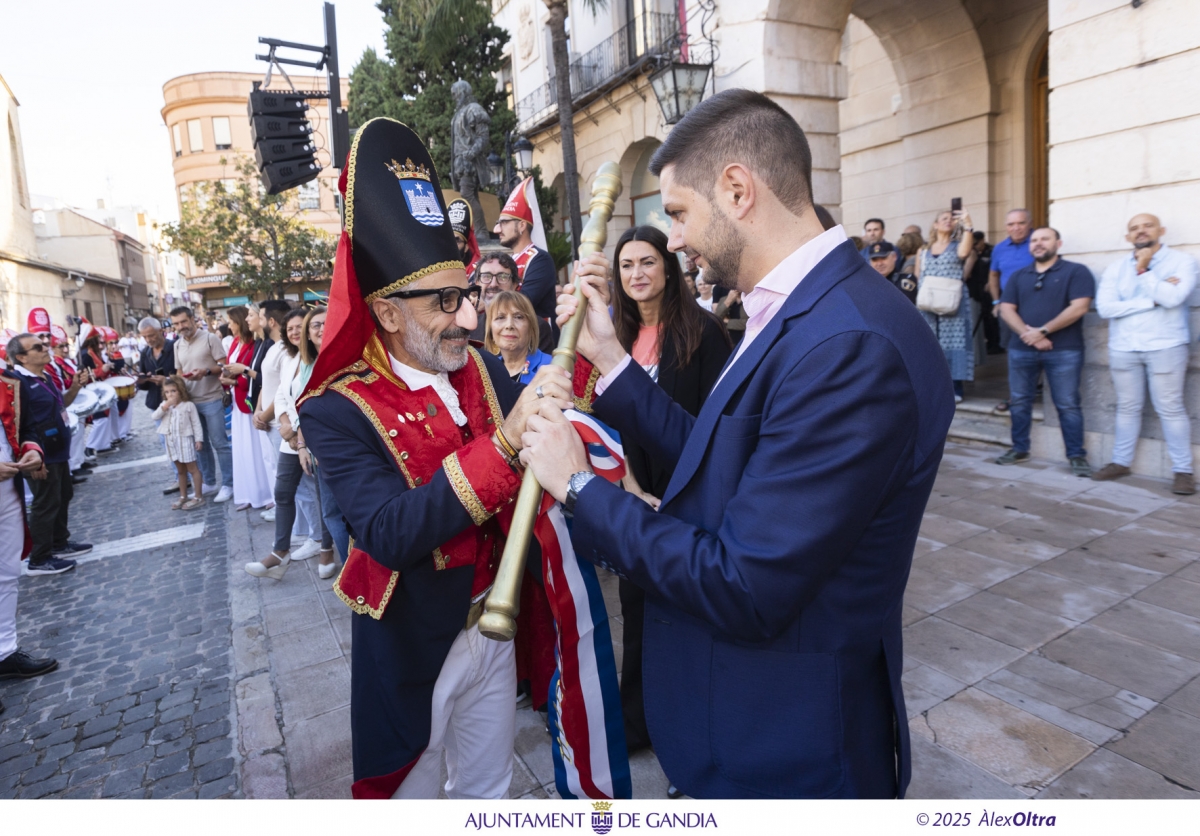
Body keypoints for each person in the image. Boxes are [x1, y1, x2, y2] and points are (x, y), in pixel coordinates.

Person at [521, 88, 955, 799]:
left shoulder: (849, 344)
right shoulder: (794, 307)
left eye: (681, 213)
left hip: (786, 749)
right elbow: (726, 459)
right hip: (749, 723)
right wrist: (614, 364)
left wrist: (581, 487)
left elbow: (745, 584)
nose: (677, 238)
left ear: (737, 189)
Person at [297, 119, 582, 799]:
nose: (467, 318)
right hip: (412, 643)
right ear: (389, 314)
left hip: (495, 621)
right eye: (446, 302)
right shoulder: (336, 409)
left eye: (468, 297)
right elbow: (389, 532)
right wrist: (506, 444)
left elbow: (559, 419)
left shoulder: (481, 369)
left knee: (487, 793)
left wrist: (589, 352)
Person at [607, 224, 731, 758]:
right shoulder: (610, 334)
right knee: (636, 613)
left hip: (685, 497)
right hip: (631, 495)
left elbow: (713, 429)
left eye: (648, 263)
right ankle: (636, 723)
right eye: (627, 265)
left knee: (685, 618)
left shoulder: (703, 333)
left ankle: (691, 730)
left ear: (668, 267)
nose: (637, 274)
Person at [1093, 213, 1197, 495]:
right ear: (1127, 237)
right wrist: (1152, 299)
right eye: (1134, 228)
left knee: (1171, 408)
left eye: (1147, 225)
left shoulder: (1182, 262)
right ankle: (1121, 461)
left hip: (1166, 345)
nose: (1141, 231)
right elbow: (1106, 308)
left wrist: (1144, 270)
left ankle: (1183, 471)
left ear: (1161, 230)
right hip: (1123, 347)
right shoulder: (1115, 268)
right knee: (1127, 407)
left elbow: (1174, 298)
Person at [995, 227, 1094, 476]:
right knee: (1019, 401)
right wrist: (1029, 335)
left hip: (1064, 350)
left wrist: (1044, 331)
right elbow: (1007, 309)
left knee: (1068, 404)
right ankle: (1019, 449)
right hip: (1022, 348)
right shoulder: (1019, 275)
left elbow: (1080, 307)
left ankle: (1076, 455)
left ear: (1058, 243)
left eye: (1045, 239)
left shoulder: (1076, 272)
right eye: (1035, 240)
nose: (1038, 244)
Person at [246, 307, 333, 579]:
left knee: (322, 496)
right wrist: (284, 423)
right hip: (291, 439)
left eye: (300, 327)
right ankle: (279, 552)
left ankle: (326, 549)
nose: (295, 332)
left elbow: (312, 402)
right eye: (291, 328)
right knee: (283, 493)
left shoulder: (320, 358)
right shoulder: (292, 359)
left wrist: (295, 431)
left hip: (311, 439)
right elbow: (283, 395)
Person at [8, 333, 92, 573]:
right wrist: (32, 456)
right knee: (45, 503)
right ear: (22, 357)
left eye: (44, 344)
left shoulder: (44, 376)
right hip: (40, 453)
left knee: (62, 496)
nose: (45, 348)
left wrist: (75, 386)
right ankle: (39, 557)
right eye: (37, 347)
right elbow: (17, 425)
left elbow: (62, 403)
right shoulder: (19, 383)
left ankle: (59, 542)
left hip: (57, 449)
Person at [0, 361, 56, 711]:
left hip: (7, 490)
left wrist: (31, 449)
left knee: (7, 573)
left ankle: (4, 652)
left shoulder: (6, 380)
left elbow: (23, 427)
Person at [170, 306, 232, 502]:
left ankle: (229, 484)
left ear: (192, 320)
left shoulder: (209, 338)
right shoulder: (177, 345)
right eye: (176, 324)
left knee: (220, 443)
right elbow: (179, 374)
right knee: (201, 445)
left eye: (183, 321)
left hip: (212, 398)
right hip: (191, 403)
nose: (181, 326)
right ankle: (210, 482)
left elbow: (224, 367)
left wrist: (205, 371)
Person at [916, 207, 977, 402]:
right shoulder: (923, 250)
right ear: (935, 224)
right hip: (929, 300)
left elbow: (965, 252)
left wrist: (967, 224)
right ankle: (933, 386)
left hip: (953, 299)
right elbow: (919, 275)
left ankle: (956, 387)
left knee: (955, 342)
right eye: (943, 218)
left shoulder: (958, 245)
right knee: (929, 343)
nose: (948, 221)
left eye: (952, 219)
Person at [495, 177, 557, 352]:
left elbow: (524, 301)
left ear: (522, 225)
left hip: (537, 344)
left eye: (504, 223)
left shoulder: (540, 260)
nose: (497, 230)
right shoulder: (509, 261)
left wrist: (490, 304)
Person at [220, 306, 272, 511]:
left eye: (232, 321)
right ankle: (249, 493)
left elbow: (254, 374)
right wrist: (226, 378)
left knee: (256, 451)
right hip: (236, 400)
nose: (228, 325)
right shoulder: (234, 342)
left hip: (247, 399)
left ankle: (264, 494)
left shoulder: (253, 343)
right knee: (242, 450)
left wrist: (236, 379)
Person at [251, 300, 294, 520]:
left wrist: (264, 416)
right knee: (279, 475)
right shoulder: (273, 347)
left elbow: (283, 389)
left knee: (293, 483)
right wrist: (257, 410)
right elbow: (266, 384)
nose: (258, 322)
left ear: (271, 321)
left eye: (259, 317)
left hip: (279, 422)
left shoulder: (287, 350)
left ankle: (308, 533)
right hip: (269, 419)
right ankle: (298, 527)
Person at [987, 210, 1035, 400]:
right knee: (1012, 350)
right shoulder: (999, 248)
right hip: (1008, 307)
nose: (1016, 228)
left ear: (1030, 224)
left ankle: (1038, 386)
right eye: (1011, 224)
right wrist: (996, 301)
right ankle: (1017, 394)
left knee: (1037, 344)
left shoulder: (1037, 244)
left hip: (1035, 305)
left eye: (1021, 223)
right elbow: (993, 275)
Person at [136, 316, 179, 494]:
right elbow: (142, 383)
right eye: (145, 337)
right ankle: (179, 477)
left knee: (184, 441)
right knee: (166, 443)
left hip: (177, 402)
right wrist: (143, 380)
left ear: (161, 331)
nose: (148, 340)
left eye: (151, 335)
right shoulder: (145, 353)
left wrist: (167, 380)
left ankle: (194, 476)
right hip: (158, 404)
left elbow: (183, 374)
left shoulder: (174, 347)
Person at [153, 375, 205, 510]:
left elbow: (196, 424)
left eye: (173, 391)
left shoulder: (188, 406)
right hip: (171, 441)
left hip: (185, 440)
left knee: (192, 468)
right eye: (167, 392)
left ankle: (198, 496)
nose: (170, 395)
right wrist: (166, 406)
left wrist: (198, 439)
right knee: (180, 470)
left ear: (181, 390)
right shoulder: (164, 406)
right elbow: (155, 416)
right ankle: (183, 496)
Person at [484, 290, 552, 384]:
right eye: (500, 317)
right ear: (491, 330)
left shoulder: (550, 366)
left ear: (531, 328)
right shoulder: (485, 372)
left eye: (518, 317)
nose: (509, 325)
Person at [468, 253, 519, 341]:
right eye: (486, 276)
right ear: (477, 283)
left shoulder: (535, 327)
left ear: (514, 285)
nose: (493, 284)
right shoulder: (469, 330)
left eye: (503, 277)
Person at [966, 231, 1000, 353]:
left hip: (990, 287)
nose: (975, 245)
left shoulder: (991, 251)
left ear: (982, 240)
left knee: (992, 317)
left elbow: (996, 270)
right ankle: (989, 343)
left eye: (977, 243)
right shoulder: (973, 252)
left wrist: (991, 283)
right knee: (984, 317)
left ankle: (996, 343)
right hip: (977, 288)